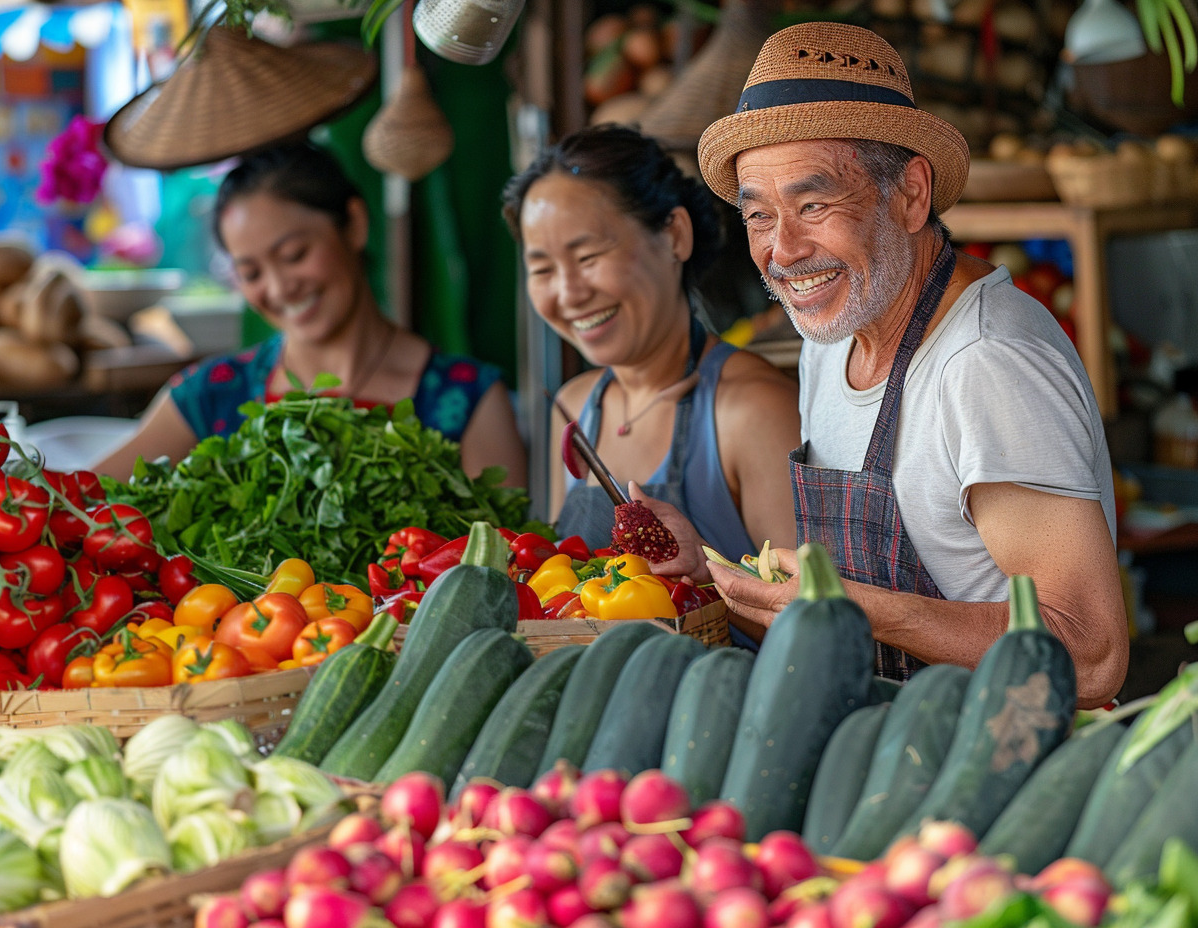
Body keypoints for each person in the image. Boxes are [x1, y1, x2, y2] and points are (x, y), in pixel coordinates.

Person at [640, 21, 1127, 708]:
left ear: (910, 195)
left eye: (814, 204)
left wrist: (864, 609)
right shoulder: (831, 338)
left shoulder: (986, 365)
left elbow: (1090, 653)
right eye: (759, 217)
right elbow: (833, 606)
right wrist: (710, 573)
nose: (783, 250)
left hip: (1008, 771)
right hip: (885, 749)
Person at [94, 143, 527, 486]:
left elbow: (500, 571)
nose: (280, 288)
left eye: (294, 254)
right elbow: (83, 500)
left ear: (354, 224)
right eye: (251, 272)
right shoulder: (213, 396)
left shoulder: (468, 401)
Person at [501, 124, 800, 565]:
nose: (568, 294)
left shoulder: (754, 410)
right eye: (542, 269)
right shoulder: (575, 406)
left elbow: (808, 618)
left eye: (588, 258)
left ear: (674, 234)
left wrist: (704, 575)